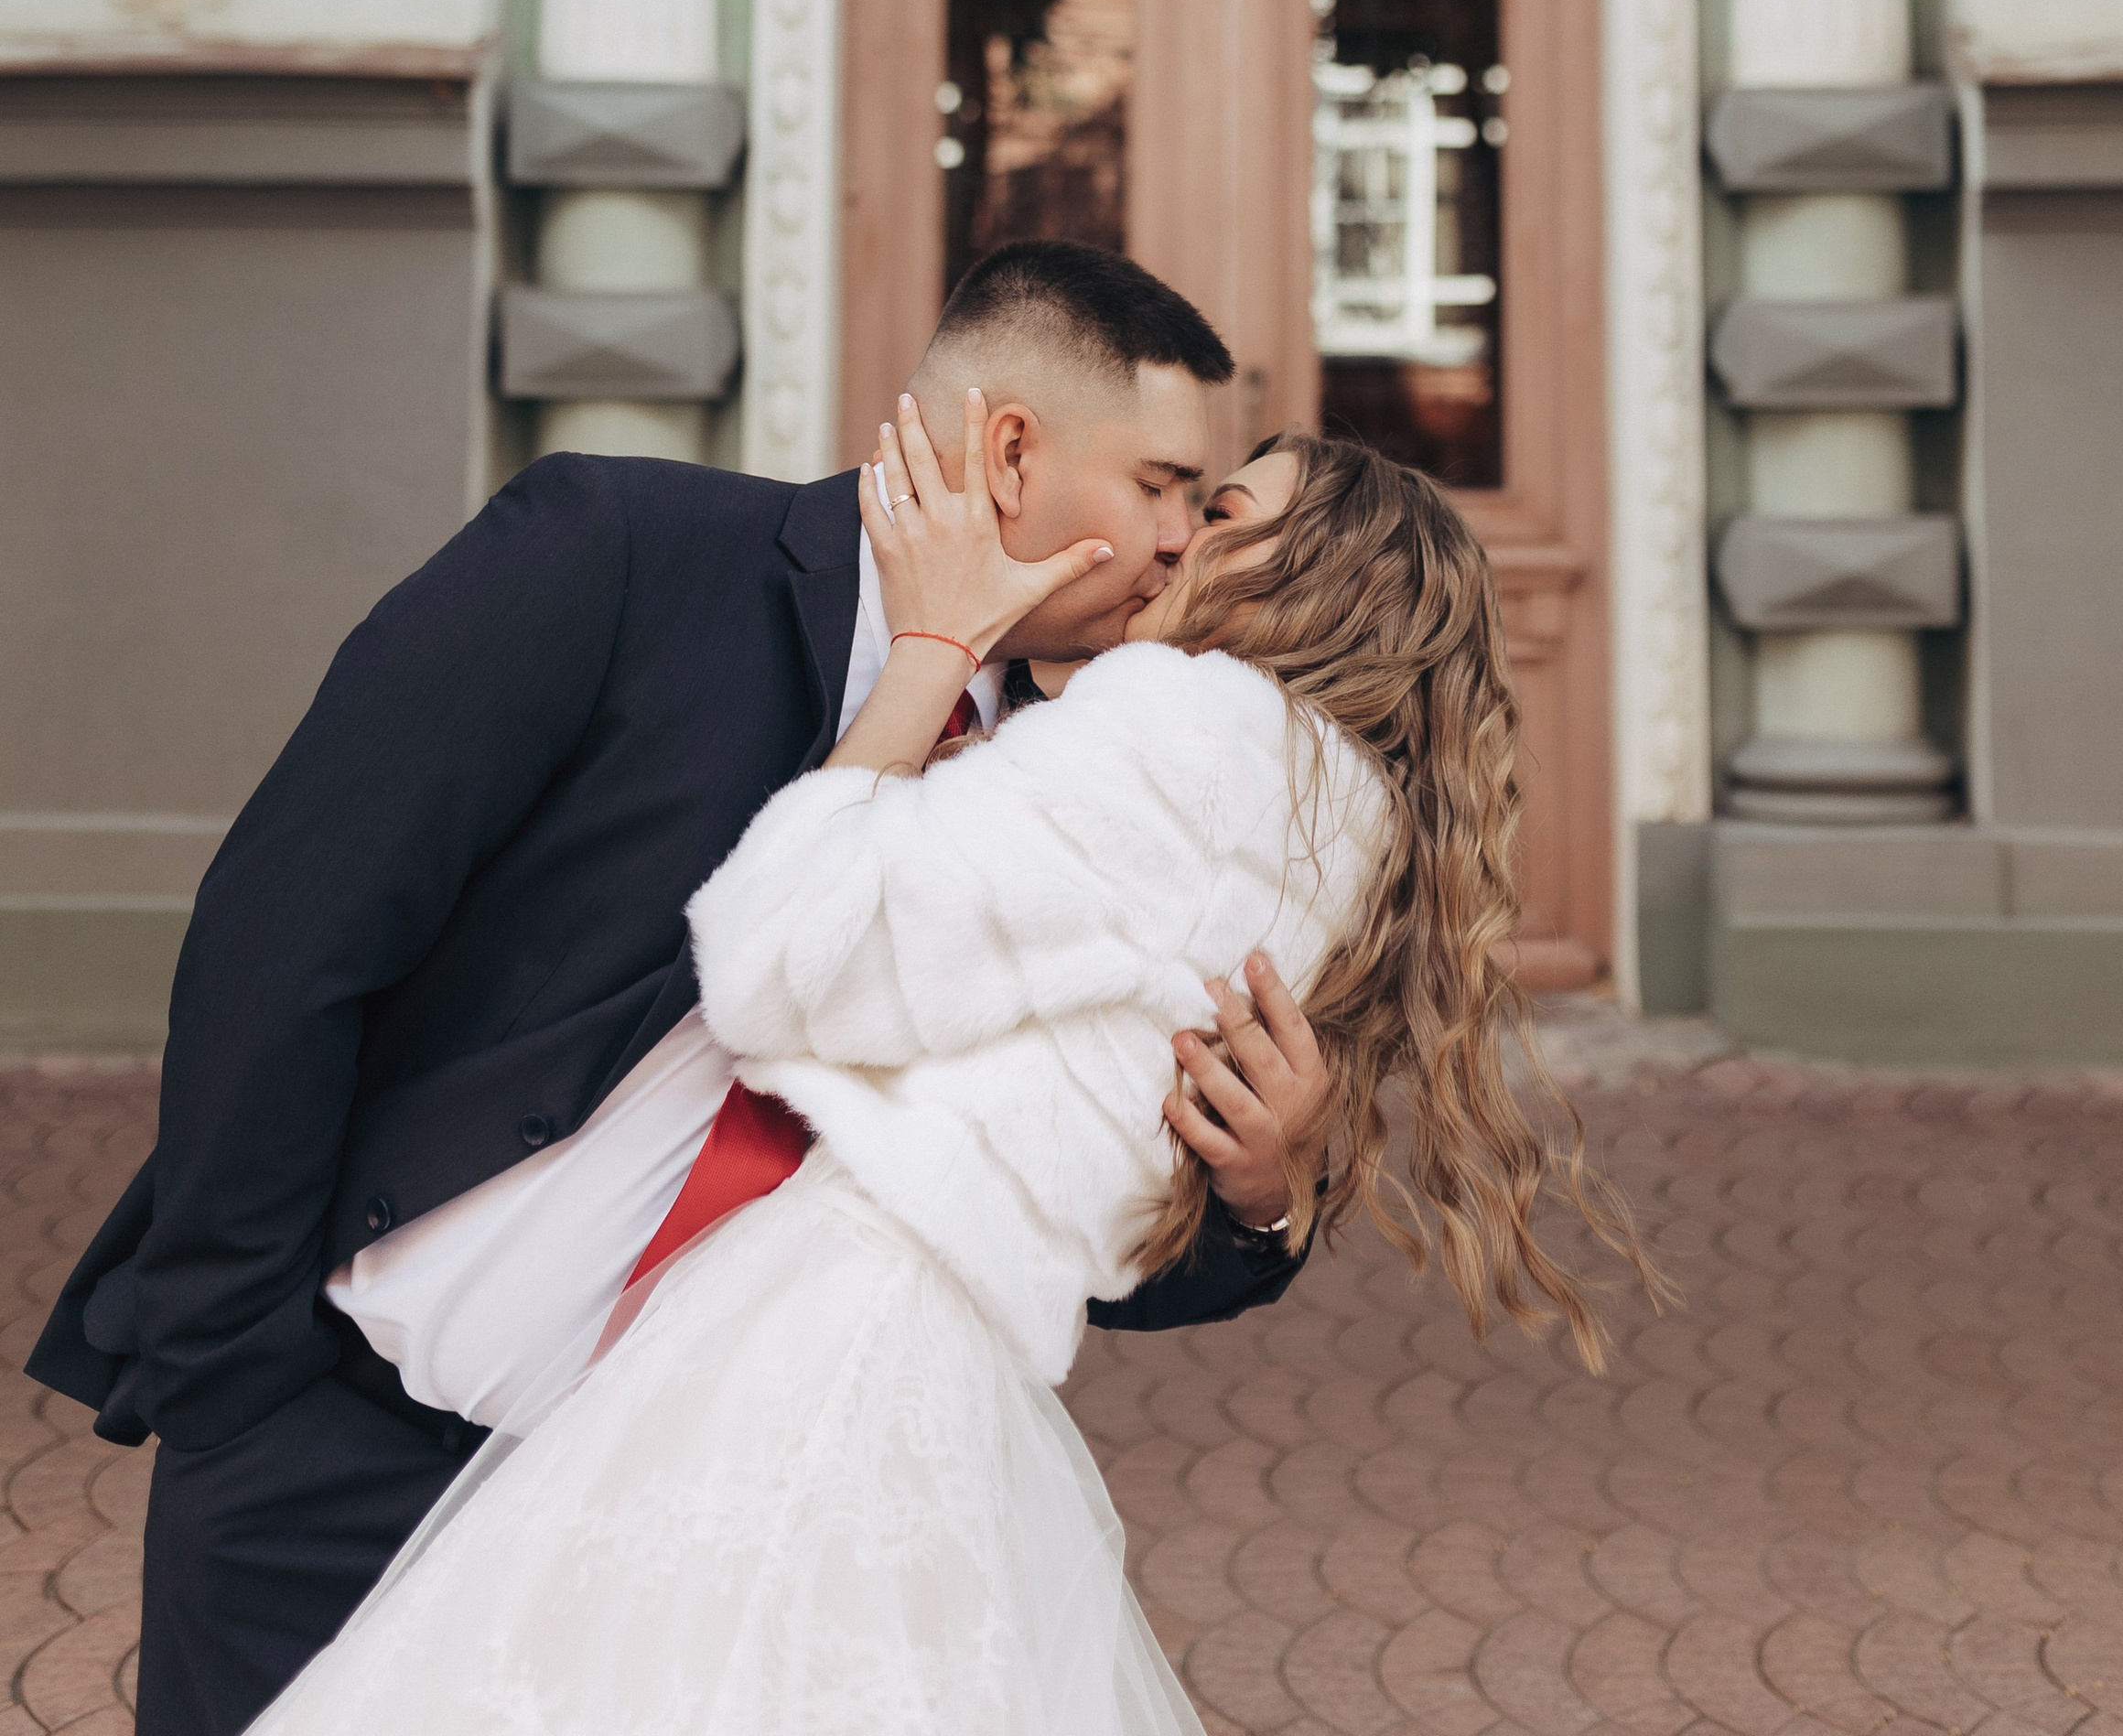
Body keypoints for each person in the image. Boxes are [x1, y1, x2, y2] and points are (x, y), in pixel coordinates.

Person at [26, 243, 1342, 1736]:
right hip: (338, 1447)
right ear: (1014, 451)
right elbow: (288, 936)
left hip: (680, 1558)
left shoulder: (1088, 786)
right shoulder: (618, 553)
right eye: (1167, 484)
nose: (1184, 541)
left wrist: (1261, 1201)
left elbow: (1024, 1213)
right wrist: (236, 1386)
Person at [229, 390, 1646, 1736]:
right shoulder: (1333, 824)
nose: (1174, 542)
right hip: (941, 1359)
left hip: (824, 1329)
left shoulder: (1180, 730)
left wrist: (927, 659)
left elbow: (782, 954)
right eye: (1174, 493)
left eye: (1216, 511)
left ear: (1317, 577)